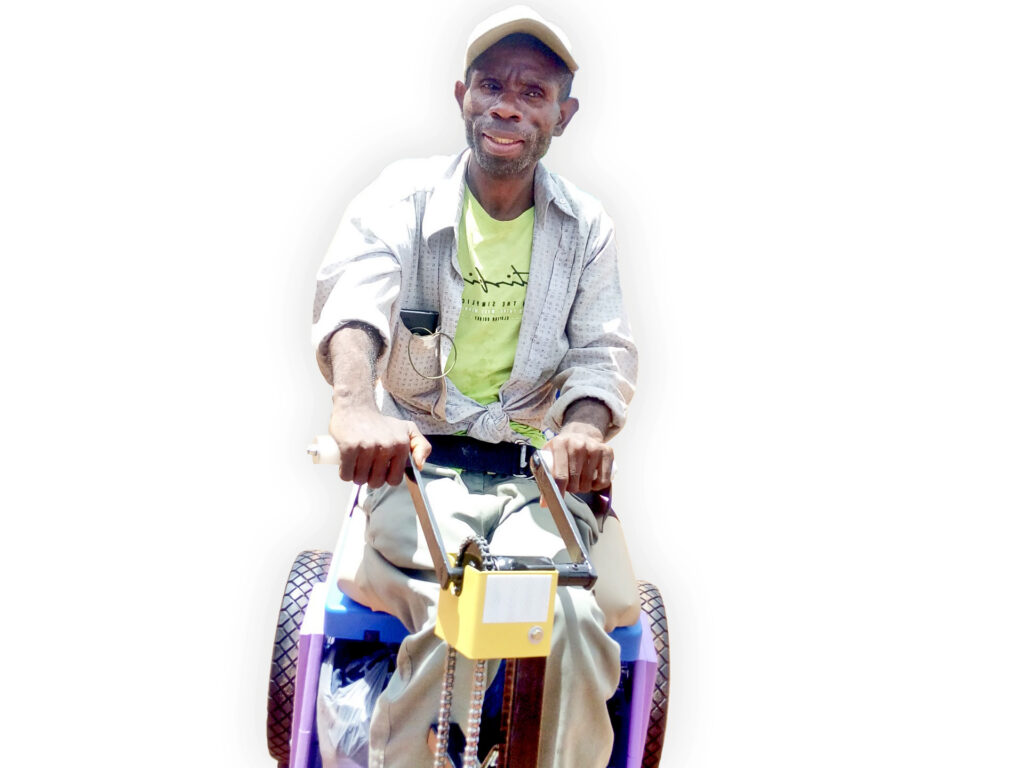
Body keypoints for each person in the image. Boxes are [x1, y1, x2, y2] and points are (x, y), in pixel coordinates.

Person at [312, 6, 639, 766]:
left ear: (563, 114)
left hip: (535, 479)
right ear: (463, 95)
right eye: (492, 86)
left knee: (567, 618)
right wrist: (355, 407)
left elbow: (601, 353)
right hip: (420, 468)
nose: (507, 107)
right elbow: (355, 300)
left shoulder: (586, 228)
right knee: (459, 606)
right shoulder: (403, 197)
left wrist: (583, 430)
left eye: (533, 93)